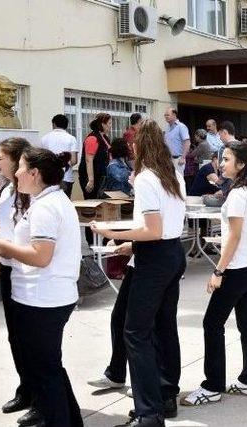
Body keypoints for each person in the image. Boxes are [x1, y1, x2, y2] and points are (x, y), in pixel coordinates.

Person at [91, 119, 187, 427]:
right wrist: (132, 245)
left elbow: (153, 229)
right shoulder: (172, 174)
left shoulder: (147, 178)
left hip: (156, 258)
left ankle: (149, 412)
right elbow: (166, 229)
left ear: (137, 145)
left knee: (136, 332)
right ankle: (165, 395)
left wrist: (111, 231)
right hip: (171, 254)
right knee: (163, 326)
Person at [0, 147, 83, 427]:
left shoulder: (46, 207)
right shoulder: (48, 200)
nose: (15, 173)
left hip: (42, 299)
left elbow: (41, 256)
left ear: (34, 173)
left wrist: (4, 247)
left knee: (44, 373)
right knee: (49, 368)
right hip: (44, 296)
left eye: (20, 168)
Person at [182, 142, 247, 406]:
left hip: (238, 268)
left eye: (227, 159)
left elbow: (235, 236)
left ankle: (213, 386)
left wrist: (219, 270)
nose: (222, 163)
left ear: (241, 164)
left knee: (212, 323)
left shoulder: (239, 194)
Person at [0, 138, 34, 423]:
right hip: (7, 267)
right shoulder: (6, 190)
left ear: (16, 160)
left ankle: (40, 396)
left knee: (30, 338)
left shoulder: (28, 192)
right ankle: (25, 389)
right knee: (15, 335)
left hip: (26, 270)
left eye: (1, 157)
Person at [39, 114, 78, 198]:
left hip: (48, 178)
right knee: (65, 204)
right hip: (66, 178)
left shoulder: (44, 138)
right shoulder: (71, 138)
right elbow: (74, 160)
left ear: (53, 124)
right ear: (66, 125)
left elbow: (41, 160)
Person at [78, 112, 111, 200]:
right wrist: (91, 180)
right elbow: (89, 160)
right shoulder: (92, 138)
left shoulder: (105, 137)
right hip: (91, 177)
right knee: (92, 202)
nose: (110, 126)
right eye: (109, 123)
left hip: (102, 176)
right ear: (102, 124)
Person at [163, 107, 191, 175]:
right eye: (165, 115)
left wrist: (183, 157)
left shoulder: (181, 127)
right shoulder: (167, 128)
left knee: (178, 181)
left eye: (168, 115)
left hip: (178, 159)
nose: (166, 117)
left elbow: (187, 143)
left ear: (174, 115)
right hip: (169, 159)